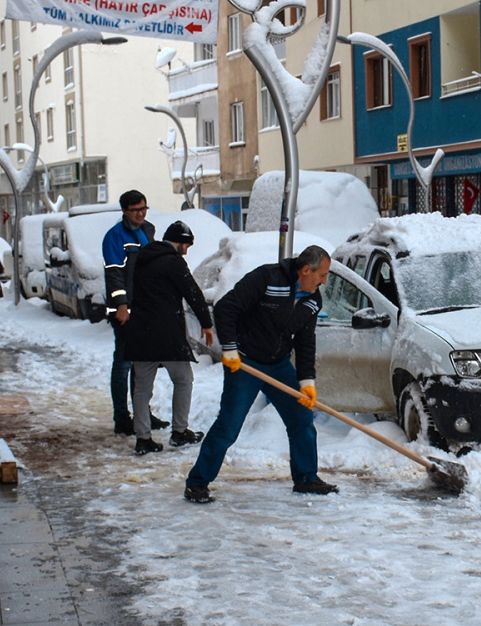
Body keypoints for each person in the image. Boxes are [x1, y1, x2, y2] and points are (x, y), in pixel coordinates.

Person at [183, 245, 337, 503]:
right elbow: (225, 308)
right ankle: (197, 483)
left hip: (278, 365)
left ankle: (306, 478)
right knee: (229, 426)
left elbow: (305, 342)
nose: (325, 281)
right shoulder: (267, 278)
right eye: (322, 275)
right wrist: (230, 349)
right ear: (306, 270)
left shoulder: (312, 299)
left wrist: (307, 381)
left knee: (301, 419)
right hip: (245, 363)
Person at [119, 221, 214, 455]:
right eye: (187, 245)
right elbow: (192, 291)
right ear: (179, 242)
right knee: (183, 380)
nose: (187, 250)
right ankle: (180, 432)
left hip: (140, 332)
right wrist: (206, 323)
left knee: (141, 388)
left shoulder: (141, 257)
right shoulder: (173, 262)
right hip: (166, 334)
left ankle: (143, 438)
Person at [102, 190, 166, 436]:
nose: (140, 214)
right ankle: (122, 417)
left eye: (143, 208)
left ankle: (143, 413)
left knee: (143, 364)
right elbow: (114, 272)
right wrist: (121, 305)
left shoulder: (148, 230)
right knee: (124, 362)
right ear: (124, 211)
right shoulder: (115, 236)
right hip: (124, 309)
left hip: (144, 306)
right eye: (135, 210)